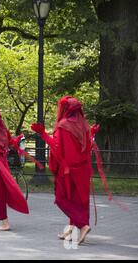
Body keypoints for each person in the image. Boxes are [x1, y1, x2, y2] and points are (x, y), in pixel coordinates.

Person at [31, 96, 103, 245]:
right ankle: (72, 230)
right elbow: (87, 146)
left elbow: (57, 147)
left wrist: (43, 134)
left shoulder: (63, 125)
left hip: (68, 170)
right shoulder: (84, 125)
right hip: (82, 170)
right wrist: (93, 133)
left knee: (62, 199)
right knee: (79, 200)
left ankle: (82, 226)